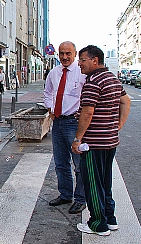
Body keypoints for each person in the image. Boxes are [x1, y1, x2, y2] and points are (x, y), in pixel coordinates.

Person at [72, 45, 131, 236]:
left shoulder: (93, 82)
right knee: (105, 182)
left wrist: (78, 139)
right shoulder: (112, 78)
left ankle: (98, 224)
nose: (79, 64)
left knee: (93, 183)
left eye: (82, 60)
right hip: (110, 141)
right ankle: (110, 219)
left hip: (94, 143)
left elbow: (88, 112)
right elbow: (125, 101)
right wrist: (118, 125)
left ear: (94, 60)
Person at [44, 41, 87, 214]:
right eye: (61, 53)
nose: (64, 57)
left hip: (74, 123)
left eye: (68, 53)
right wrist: (50, 109)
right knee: (60, 163)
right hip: (58, 122)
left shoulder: (81, 72)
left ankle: (80, 199)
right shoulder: (54, 73)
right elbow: (47, 92)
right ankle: (65, 194)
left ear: (75, 54)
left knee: (79, 164)